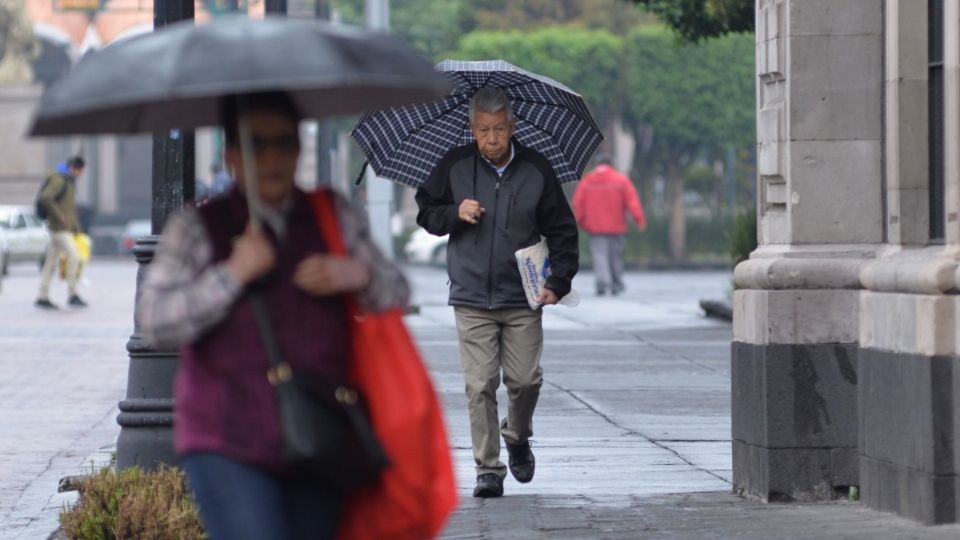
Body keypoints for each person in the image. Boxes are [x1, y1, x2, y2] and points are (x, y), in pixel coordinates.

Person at [137, 91, 409, 540]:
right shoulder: (197, 227)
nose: (272, 158)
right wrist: (232, 275)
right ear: (231, 155)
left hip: (319, 430)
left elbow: (395, 291)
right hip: (226, 438)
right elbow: (154, 321)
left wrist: (356, 274)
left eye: (284, 142)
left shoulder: (330, 214)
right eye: (256, 144)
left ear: (299, 148)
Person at [415, 87, 579, 498]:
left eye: (500, 129)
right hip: (471, 295)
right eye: (484, 130)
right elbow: (426, 213)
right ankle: (488, 468)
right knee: (480, 383)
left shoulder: (536, 169)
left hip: (523, 296)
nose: (492, 139)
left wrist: (559, 281)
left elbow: (562, 229)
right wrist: (455, 213)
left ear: (513, 127)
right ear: (472, 129)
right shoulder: (454, 166)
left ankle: (517, 435)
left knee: (524, 381)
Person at [572, 155, 647, 296]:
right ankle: (616, 283)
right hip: (617, 227)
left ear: (597, 165)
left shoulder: (588, 181)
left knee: (599, 255)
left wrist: (581, 221)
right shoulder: (621, 180)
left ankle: (602, 282)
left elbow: (578, 202)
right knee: (615, 256)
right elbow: (633, 201)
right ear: (611, 164)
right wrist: (639, 219)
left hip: (595, 227)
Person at [35, 155, 86, 309]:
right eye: (80, 171)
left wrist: (75, 227)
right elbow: (45, 197)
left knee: (50, 263)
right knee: (74, 257)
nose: (81, 174)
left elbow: (69, 209)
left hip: (62, 228)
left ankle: (42, 296)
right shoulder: (60, 180)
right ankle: (72, 293)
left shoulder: (69, 181)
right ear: (74, 168)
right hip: (59, 229)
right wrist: (59, 216)